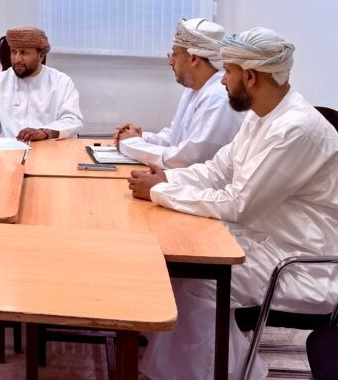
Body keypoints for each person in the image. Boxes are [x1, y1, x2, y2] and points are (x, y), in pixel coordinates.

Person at [127, 28, 338, 379]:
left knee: (194, 281)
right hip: (262, 242)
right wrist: (168, 179)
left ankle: (228, 373)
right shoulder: (262, 115)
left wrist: (159, 192)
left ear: (251, 76)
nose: (222, 81)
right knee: (174, 266)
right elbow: (218, 170)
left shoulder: (296, 128)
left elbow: (239, 204)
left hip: (300, 263)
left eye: (227, 72)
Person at [114, 18, 244, 168]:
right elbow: (175, 138)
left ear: (193, 58)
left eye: (174, 54)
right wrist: (141, 137)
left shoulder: (218, 96)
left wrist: (131, 143)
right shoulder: (195, 88)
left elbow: (186, 160)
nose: (171, 61)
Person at [0, 26, 83, 142]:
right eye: (13, 52)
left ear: (41, 55)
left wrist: (45, 132)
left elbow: (73, 119)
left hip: (48, 148)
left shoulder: (61, 82)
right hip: (7, 148)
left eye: (24, 53)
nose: (17, 59)